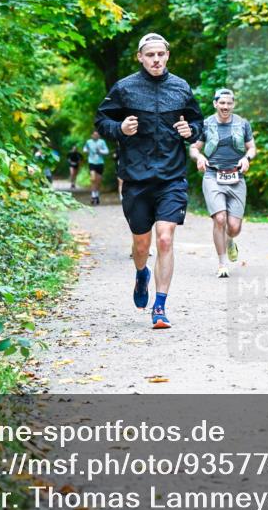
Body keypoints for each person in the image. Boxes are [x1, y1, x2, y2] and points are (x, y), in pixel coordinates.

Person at [95, 33, 203, 329]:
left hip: (171, 176)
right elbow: (102, 122)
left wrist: (189, 131)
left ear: (168, 55)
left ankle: (160, 307)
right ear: (140, 57)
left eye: (161, 54)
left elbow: (197, 123)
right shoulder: (125, 88)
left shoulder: (181, 87)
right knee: (141, 245)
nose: (156, 59)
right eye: (150, 55)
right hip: (136, 177)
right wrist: (121, 128)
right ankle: (141, 274)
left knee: (165, 238)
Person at [190, 88, 255, 278]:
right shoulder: (206, 124)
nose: (225, 106)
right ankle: (222, 264)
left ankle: (229, 241)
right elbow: (194, 148)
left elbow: (251, 147)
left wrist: (247, 159)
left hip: (236, 177)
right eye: (222, 103)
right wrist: (199, 157)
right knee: (220, 219)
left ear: (233, 104)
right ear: (215, 104)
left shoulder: (243, 124)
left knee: (234, 227)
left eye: (229, 103)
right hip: (213, 176)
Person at [83, 130, 109, 205]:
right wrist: (86, 151)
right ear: (92, 135)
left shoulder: (102, 142)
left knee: (98, 181)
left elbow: (106, 151)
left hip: (100, 162)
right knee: (93, 178)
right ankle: (93, 196)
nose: (95, 136)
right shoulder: (88, 142)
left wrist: (100, 151)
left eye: (97, 135)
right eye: (94, 135)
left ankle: (96, 195)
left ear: (99, 136)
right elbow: (84, 149)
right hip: (91, 162)